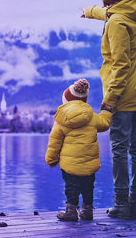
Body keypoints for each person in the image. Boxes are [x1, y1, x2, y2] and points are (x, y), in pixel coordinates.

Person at [80, 0, 136, 220]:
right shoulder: (131, 12)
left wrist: (110, 101)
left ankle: (122, 203)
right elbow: (110, 13)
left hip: (124, 96)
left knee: (120, 149)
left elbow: (120, 66)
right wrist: (90, 11)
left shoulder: (116, 24)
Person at [45, 78, 112, 222]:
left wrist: (51, 159)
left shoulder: (61, 119)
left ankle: (71, 211)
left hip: (69, 165)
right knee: (88, 187)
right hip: (89, 163)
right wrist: (106, 111)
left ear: (66, 99)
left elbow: (54, 141)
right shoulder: (91, 117)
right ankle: (87, 211)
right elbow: (105, 124)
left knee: (71, 187)